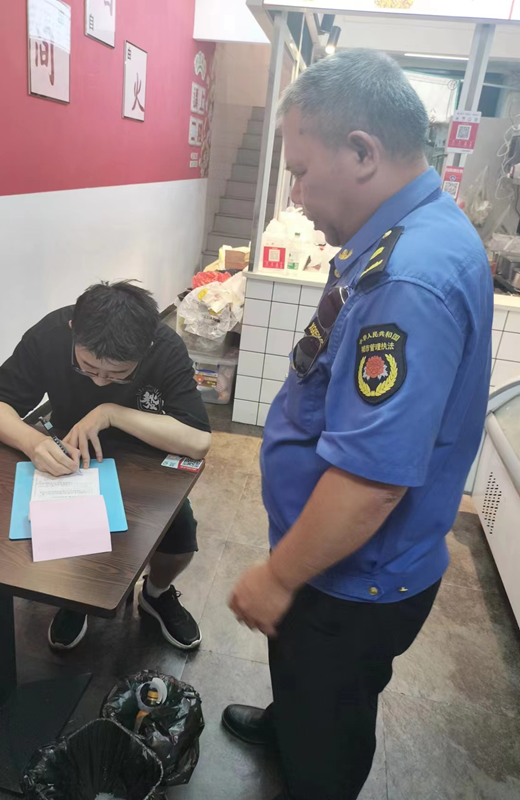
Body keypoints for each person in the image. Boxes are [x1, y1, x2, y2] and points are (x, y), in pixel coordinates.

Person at [222, 50, 493, 800]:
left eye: (302, 171)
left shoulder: (409, 279)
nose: (296, 194)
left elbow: (371, 483)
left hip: (352, 578)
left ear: (362, 152)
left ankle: (309, 759)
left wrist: (278, 576)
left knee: (329, 726)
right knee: (303, 680)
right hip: (331, 559)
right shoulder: (404, 233)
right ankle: (289, 723)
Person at [0, 280, 211, 652]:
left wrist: (111, 413)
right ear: (74, 331)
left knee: (180, 538)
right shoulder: (51, 334)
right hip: (72, 454)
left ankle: (156, 593)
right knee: (65, 531)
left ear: (146, 347)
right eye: (87, 367)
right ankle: (77, 596)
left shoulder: (166, 347)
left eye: (117, 374)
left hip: (146, 456)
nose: (100, 381)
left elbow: (198, 440)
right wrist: (33, 442)